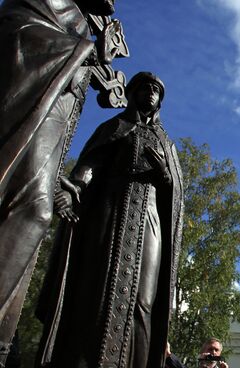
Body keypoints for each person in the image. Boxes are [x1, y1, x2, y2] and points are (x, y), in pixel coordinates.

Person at [35, 72, 184, 368]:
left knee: (144, 300)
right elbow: (91, 163)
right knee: (97, 286)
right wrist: (76, 186)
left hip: (150, 220)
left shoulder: (166, 143)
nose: (150, 92)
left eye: (156, 89)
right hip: (110, 210)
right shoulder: (115, 127)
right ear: (133, 93)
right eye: (144, 87)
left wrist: (164, 174)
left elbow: (176, 193)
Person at [0, 0, 116, 363]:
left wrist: (58, 179)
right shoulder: (48, 2)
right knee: (35, 213)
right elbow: (19, 38)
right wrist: (87, 54)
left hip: (48, 136)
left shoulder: (82, 22)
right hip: (26, 120)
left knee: (34, 221)